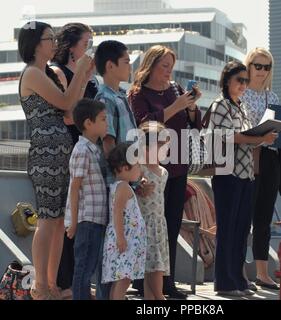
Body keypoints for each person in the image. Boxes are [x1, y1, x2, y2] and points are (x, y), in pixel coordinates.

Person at [18, 21, 92, 300]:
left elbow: (72, 110)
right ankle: (40, 287)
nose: (54, 43)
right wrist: (80, 72)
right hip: (45, 155)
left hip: (61, 153)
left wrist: (82, 77)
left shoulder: (49, 74)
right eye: (49, 38)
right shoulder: (33, 73)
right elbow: (63, 102)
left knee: (59, 221)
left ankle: (51, 284)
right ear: (36, 43)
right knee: (47, 221)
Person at [129, 45, 202, 299]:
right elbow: (144, 123)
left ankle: (165, 283)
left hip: (178, 166)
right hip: (151, 168)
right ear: (151, 66)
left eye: (171, 65)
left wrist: (191, 107)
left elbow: (194, 123)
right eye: (164, 65)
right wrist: (175, 106)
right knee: (147, 225)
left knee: (170, 226)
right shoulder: (138, 93)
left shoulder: (176, 90)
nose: (169, 71)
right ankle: (141, 282)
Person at [209, 61, 277, 297]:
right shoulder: (220, 105)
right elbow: (225, 136)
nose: (243, 85)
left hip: (246, 174)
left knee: (240, 230)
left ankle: (238, 278)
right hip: (227, 174)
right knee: (227, 229)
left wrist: (264, 138)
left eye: (245, 81)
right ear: (227, 80)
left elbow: (246, 137)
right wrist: (253, 138)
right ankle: (224, 282)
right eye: (239, 80)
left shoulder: (241, 107)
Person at [93, 40, 153, 299]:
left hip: (126, 182)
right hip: (115, 184)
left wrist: (136, 181)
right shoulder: (105, 98)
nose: (131, 66)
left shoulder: (120, 96)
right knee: (115, 259)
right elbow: (109, 145)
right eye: (127, 61)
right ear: (110, 65)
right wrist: (130, 180)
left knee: (121, 262)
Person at [51, 22, 98, 297]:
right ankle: (64, 282)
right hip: (69, 148)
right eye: (85, 44)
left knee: (84, 217)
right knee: (69, 216)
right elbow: (72, 114)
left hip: (89, 150)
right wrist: (81, 75)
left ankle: (78, 281)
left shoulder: (88, 76)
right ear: (70, 46)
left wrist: (87, 75)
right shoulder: (59, 72)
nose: (88, 49)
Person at [242, 47, 281, 290]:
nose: (262, 71)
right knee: (242, 217)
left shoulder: (272, 97)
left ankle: (262, 273)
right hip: (247, 157)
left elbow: (277, 132)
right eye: (258, 65)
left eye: (267, 67)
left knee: (263, 218)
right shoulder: (239, 93)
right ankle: (239, 271)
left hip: (271, 158)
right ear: (249, 65)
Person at [64, 99, 108, 300]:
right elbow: (74, 187)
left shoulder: (94, 148)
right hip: (86, 220)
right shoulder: (82, 150)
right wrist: (73, 222)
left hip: (96, 219)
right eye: (103, 119)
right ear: (89, 123)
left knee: (88, 267)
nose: (106, 123)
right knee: (83, 268)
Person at [101, 143, 147, 300]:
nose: (140, 168)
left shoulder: (123, 187)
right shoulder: (123, 188)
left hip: (127, 241)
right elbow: (117, 213)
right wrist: (121, 237)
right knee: (124, 279)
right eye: (137, 165)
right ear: (124, 167)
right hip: (124, 241)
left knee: (122, 279)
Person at [137, 121, 170, 300]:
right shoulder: (139, 170)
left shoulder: (163, 172)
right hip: (144, 224)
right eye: (161, 146)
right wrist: (138, 185)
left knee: (156, 267)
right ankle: (160, 297)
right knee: (153, 267)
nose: (165, 151)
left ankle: (153, 299)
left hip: (159, 224)